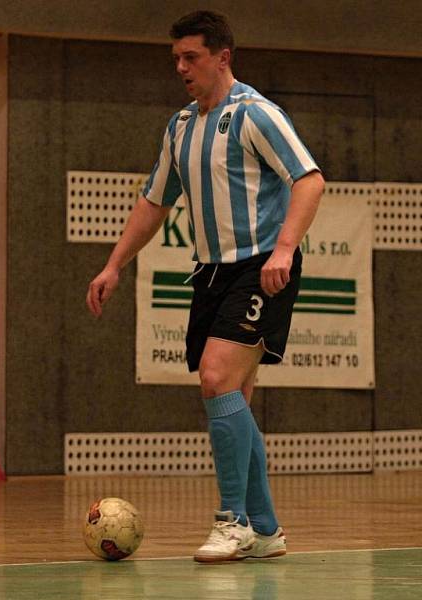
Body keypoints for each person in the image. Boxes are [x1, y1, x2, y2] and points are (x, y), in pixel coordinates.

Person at [87, 11, 324, 563]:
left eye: (191, 57)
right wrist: (114, 264)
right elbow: (154, 201)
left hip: (263, 266)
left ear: (223, 57)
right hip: (211, 273)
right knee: (232, 396)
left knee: (216, 378)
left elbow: (309, 180)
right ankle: (266, 530)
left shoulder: (256, 115)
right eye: (176, 58)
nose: (181, 68)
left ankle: (233, 520)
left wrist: (285, 247)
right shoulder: (180, 126)